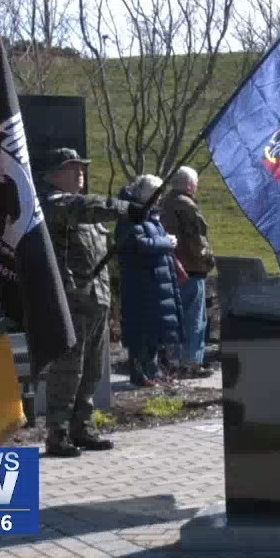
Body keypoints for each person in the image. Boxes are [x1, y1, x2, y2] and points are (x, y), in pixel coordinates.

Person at [39, 148, 147, 458]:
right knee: (68, 369)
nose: (80, 172)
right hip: (72, 301)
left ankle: (81, 428)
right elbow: (82, 208)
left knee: (92, 370)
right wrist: (123, 207)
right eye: (72, 168)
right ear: (53, 175)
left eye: (82, 167)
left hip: (96, 299)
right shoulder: (54, 203)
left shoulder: (87, 210)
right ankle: (57, 432)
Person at [115, 174, 184, 388]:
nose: (160, 197)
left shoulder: (152, 215)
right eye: (156, 193)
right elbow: (137, 243)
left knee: (154, 331)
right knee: (141, 331)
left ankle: (152, 371)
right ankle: (139, 373)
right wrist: (166, 242)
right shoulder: (130, 215)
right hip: (140, 283)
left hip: (156, 281)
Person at [160, 166, 215, 379]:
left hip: (171, 267)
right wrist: (208, 259)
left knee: (176, 318)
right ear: (191, 185)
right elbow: (196, 241)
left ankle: (173, 361)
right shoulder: (187, 206)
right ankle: (191, 363)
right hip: (191, 268)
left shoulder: (164, 203)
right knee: (195, 320)